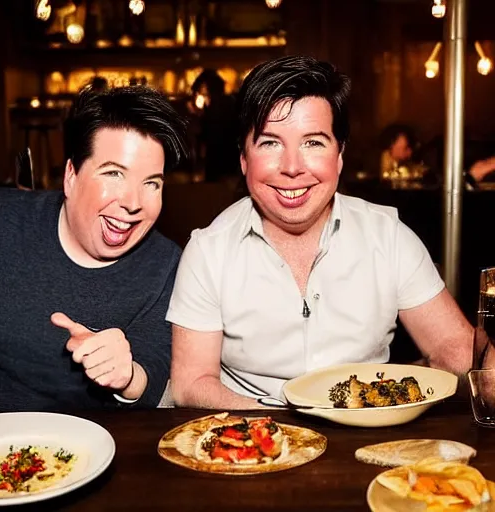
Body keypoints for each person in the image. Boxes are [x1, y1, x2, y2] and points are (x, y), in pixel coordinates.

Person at [166, 55, 473, 409]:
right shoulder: (208, 250)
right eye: (270, 143)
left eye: (313, 142)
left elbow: (456, 348)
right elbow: (191, 383)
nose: (293, 168)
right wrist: (282, 432)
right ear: (244, 159)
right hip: (252, 441)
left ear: (339, 156)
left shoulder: (388, 235)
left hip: (369, 434)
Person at [0, 85, 188, 412]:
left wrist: (127, 376)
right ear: (71, 177)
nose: (133, 204)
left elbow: (153, 371)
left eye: (152, 183)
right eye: (114, 174)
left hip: (92, 450)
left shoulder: (166, 265)